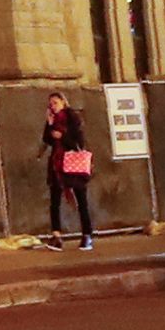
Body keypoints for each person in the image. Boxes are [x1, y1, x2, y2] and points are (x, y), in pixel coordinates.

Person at [40, 89, 97, 247]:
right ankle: (56, 235)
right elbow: (47, 140)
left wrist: (63, 137)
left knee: (81, 200)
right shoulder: (52, 120)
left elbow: (79, 143)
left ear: (63, 102)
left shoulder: (72, 118)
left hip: (73, 164)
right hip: (57, 165)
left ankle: (87, 235)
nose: (52, 106)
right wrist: (50, 125)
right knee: (55, 200)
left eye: (55, 103)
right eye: (50, 104)